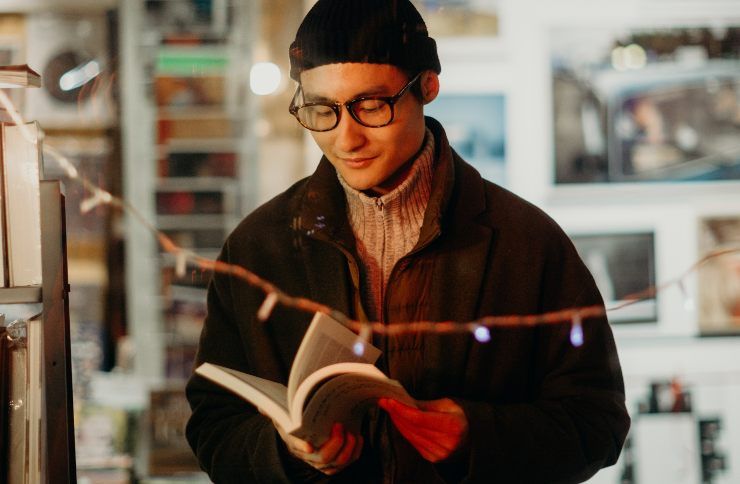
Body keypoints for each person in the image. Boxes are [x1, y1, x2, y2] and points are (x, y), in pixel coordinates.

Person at [185, 0, 630, 482]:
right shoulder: (259, 247)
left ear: (428, 87)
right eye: (321, 110)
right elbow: (213, 428)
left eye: (370, 105)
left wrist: (478, 437)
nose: (346, 138)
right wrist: (286, 453)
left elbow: (597, 424)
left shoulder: (525, 242)